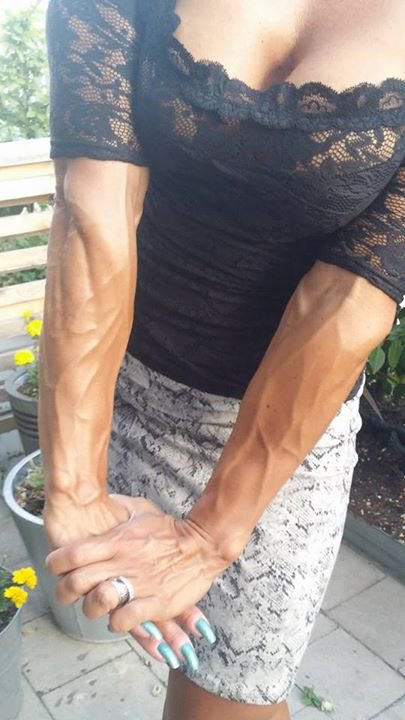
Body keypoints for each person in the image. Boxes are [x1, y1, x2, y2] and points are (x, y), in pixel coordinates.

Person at [41, 1, 404, 718]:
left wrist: (211, 535)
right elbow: (93, 213)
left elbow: (352, 295)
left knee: (230, 698)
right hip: (112, 397)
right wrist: (75, 486)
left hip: (282, 443)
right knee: (181, 667)